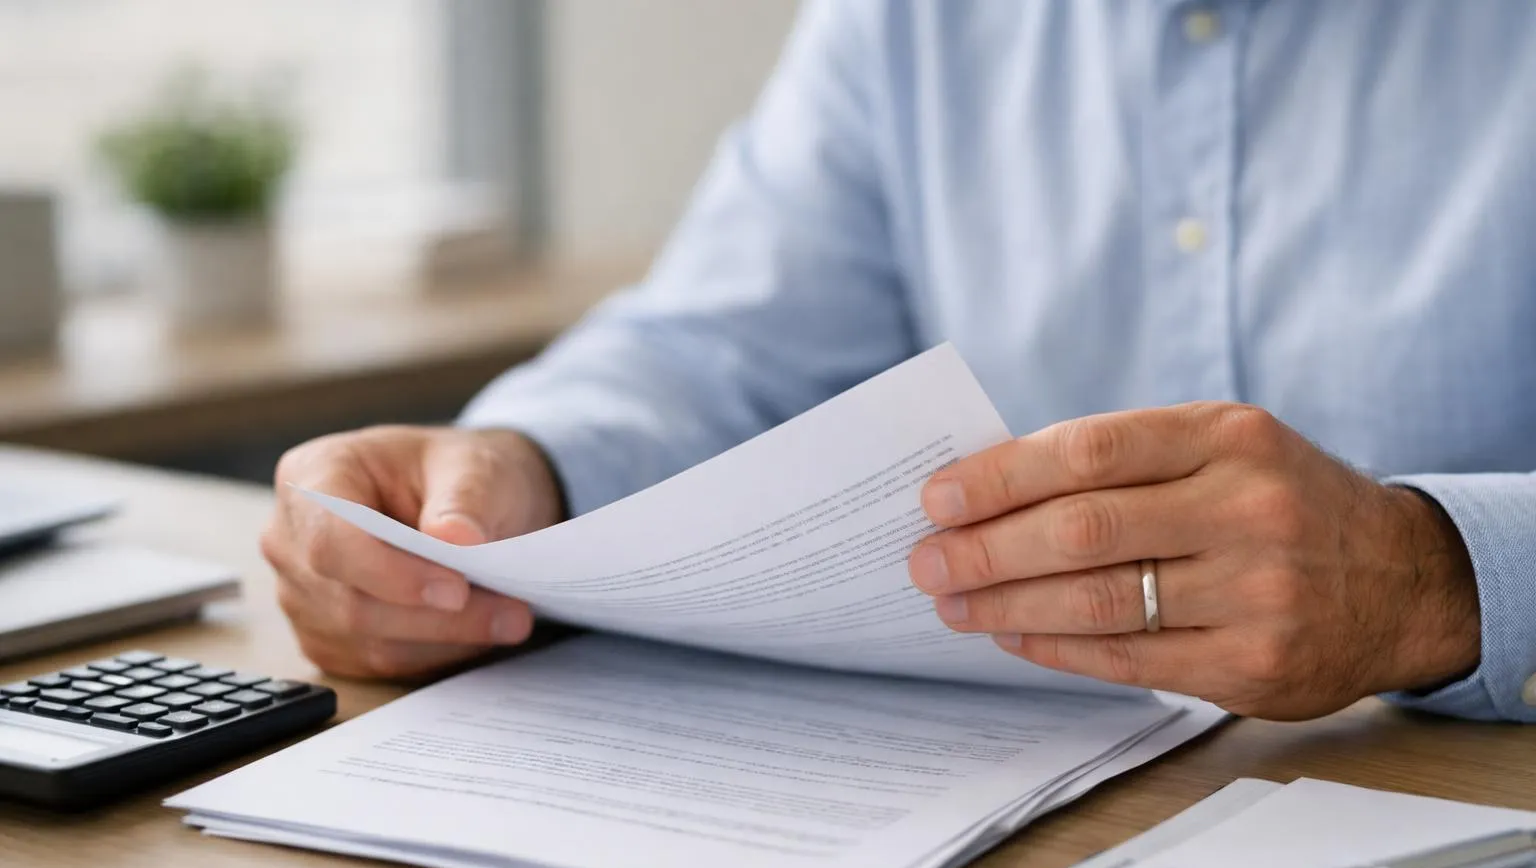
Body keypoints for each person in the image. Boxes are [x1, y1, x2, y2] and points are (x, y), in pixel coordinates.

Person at [261, 1, 1536, 723]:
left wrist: (1430, 578)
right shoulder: (911, 22)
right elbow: (719, 341)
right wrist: (506, 475)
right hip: (1043, 848)